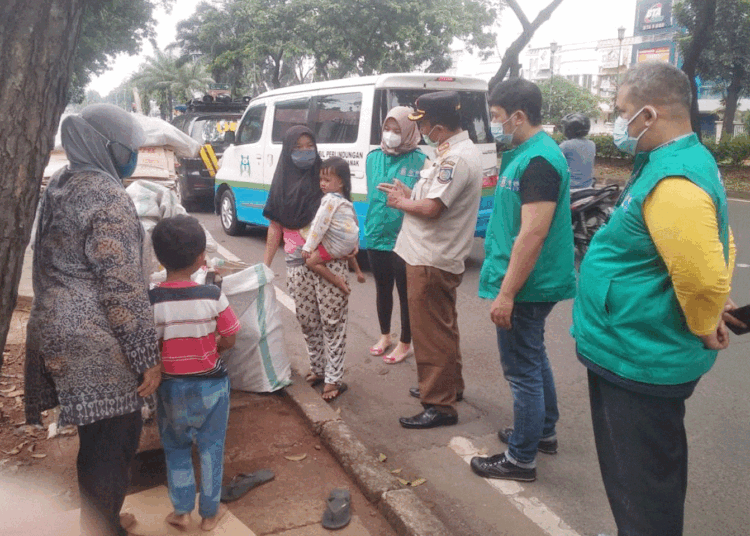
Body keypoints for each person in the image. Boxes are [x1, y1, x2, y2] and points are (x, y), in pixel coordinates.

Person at [571, 61, 735, 535]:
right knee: (642, 477)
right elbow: (716, 241)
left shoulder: (673, 180)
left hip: (639, 354)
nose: (618, 122)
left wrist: (706, 318)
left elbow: (700, 276)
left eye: (622, 111)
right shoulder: (667, 161)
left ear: (648, 114)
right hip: (630, 344)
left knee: (641, 482)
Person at [24, 104, 162, 536]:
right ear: (108, 147)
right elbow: (120, 288)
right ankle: (102, 529)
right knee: (114, 443)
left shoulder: (64, 182)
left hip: (55, 329)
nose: (134, 156)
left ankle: (99, 521)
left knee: (96, 439)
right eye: (130, 148)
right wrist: (146, 357)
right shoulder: (108, 197)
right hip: (94, 342)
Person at [470, 78, 576, 483]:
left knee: (522, 368)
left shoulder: (540, 161)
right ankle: (542, 430)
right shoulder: (528, 153)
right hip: (532, 281)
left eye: (497, 117)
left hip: (528, 283)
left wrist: (507, 293)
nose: (495, 125)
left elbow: (533, 234)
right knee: (532, 356)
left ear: (518, 116)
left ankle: (520, 459)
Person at [379, 91, 482, 429]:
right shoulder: (451, 153)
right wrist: (410, 195)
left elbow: (432, 209)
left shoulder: (456, 160)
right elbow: (430, 198)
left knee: (431, 333)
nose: (419, 129)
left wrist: (400, 202)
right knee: (443, 327)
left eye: (421, 123)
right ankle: (447, 386)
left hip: (431, 257)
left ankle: (439, 405)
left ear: (437, 126)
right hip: (432, 254)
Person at [148, 214, 240, 532]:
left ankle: (182, 511)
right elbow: (230, 334)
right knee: (212, 447)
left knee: (176, 447)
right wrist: (215, 348)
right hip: (212, 386)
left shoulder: (154, 299)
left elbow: (151, 346)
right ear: (202, 259)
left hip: (171, 388)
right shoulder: (212, 295)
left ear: (159, 258)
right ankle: (210, 515)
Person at [263, 126, 351, 401]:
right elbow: (275, 228)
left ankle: (334, 379)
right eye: (297, 148)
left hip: (328, 261)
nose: (304, 152)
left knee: (333, 321)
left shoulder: (325, 181)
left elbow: (345, 219)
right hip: (294, 262)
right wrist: (264, 266)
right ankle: (319, 368)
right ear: (288, 151)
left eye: (308, 146)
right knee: (308, 319)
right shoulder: (280, 184)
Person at [364, 106, 427, 363]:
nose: (391, 135)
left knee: (405, 292)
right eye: (387, 129)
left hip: (404, 237)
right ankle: (385, 335)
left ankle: (405, 342)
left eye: (397, 130)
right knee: (382, 288)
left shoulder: (421, 161)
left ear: (410, 131)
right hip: (376, 234)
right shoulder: (372, 157)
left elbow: (424, 200)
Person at [301, 157, 365, 295]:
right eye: (321, 179)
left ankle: (336, 280)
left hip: (336, 247)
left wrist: (308, 247)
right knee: (341, 241)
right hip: (349, 244)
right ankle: (358, 272)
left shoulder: (329, 200)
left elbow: (319, 225)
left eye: (327, 180)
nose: (322, 183)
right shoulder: (345, 200)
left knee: (311, 262)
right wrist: (356, 242)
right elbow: (355, 222)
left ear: (341, 181)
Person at [559, 113, 596, 189]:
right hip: (588, 187)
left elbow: (552, 161)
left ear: (569, 129)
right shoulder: (592, 144)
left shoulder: (566, 145)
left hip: (570, 189)